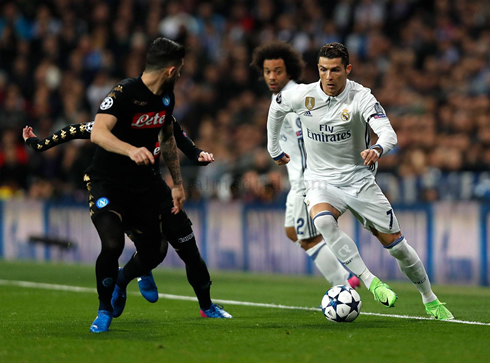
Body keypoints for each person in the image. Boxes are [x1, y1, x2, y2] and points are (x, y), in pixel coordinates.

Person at [267, 42, 453, 320]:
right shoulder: (302, 95)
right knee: (323, 221)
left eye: (335, 70)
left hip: (359, 180)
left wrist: (377, 149)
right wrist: (273, 149)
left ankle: (430, 299)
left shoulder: (361, 97)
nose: (328, 77)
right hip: (319, 180)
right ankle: (369, 280)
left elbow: (389, 134)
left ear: (347, 69)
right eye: (323, 70)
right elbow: (276, 109)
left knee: (398, 248)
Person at [80, 37, 227, 333]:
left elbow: (168, 139)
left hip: (145, 186)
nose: (182, 75)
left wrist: (177, 184)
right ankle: (104, 309)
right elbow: (98, 132)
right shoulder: (124, 92)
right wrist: (129, 149)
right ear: (171, 70)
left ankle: (123, 280)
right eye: (181, 70)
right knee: (112, 243)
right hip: (108, 183)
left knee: (154, 252)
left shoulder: (166, 98)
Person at [22, 116, 231, 321]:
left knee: (189, 250)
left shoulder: (162, 116)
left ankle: (206, 306)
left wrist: (198, 154)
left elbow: (180, 138)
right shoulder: (120, 119)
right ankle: (126, 280)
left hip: (156, 189)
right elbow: (77, 130)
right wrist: (38, 144)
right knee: (155, 251)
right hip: (125, 195)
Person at [250, 41, 359, 289]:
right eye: (267, 71)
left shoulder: (296, 97)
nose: (272, 76)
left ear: (289, 71)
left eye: (277, 71)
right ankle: (346, 276)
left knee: (307, 238)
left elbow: (310, 136)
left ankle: (344, 285)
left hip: (305, 179)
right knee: (293, 231)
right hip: (296, 177)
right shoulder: (280, 96)